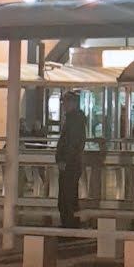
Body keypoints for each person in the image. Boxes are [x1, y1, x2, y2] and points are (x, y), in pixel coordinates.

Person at [56, 90, 87, 228]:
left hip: (70, 165)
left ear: (73, 103)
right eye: (63, 103)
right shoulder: (74, 119)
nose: (64, 105)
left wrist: (64, 160)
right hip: (72, 164)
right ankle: (71, 225)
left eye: (66, 102)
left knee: (66, 197)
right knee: (69, 196)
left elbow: (72, 144)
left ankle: (69, 226)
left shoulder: (74, 120)